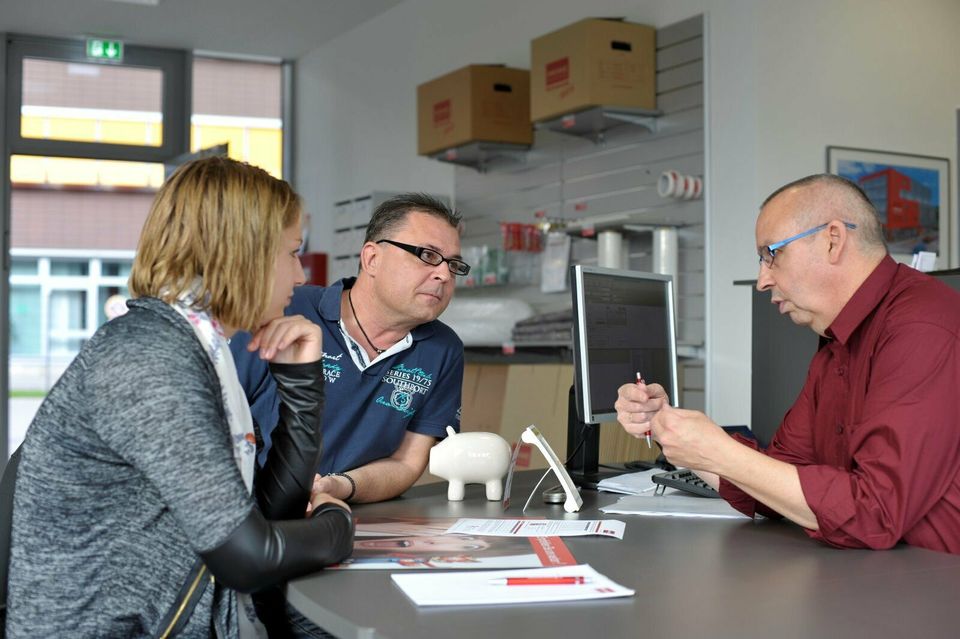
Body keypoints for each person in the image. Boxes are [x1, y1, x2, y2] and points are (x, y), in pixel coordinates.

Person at [6, 157, 354, 637]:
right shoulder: (149, 357)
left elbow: (266, 519)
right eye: (292, 252)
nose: (299, 277)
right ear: (243, 253)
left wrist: (300, 384)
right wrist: (339, 523)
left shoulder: (197, 345)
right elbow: (248, 557)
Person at [615, 173, 960, 554]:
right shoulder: (837, 344)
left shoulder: (923, 328)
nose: (762, 280)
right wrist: (671, 427)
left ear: (833, 240)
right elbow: (777, 483)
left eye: (772, 255)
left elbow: (874, 513)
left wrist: (719, 452)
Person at [231, 193, 467, 504]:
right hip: (248, 512)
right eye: (427, 255)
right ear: (372, 258)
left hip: (349, 513)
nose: (444, 275)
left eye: (454, 264)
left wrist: (338, 487)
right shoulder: (286, 308)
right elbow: (217, 420)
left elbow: (406, 463)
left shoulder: (443, 349)